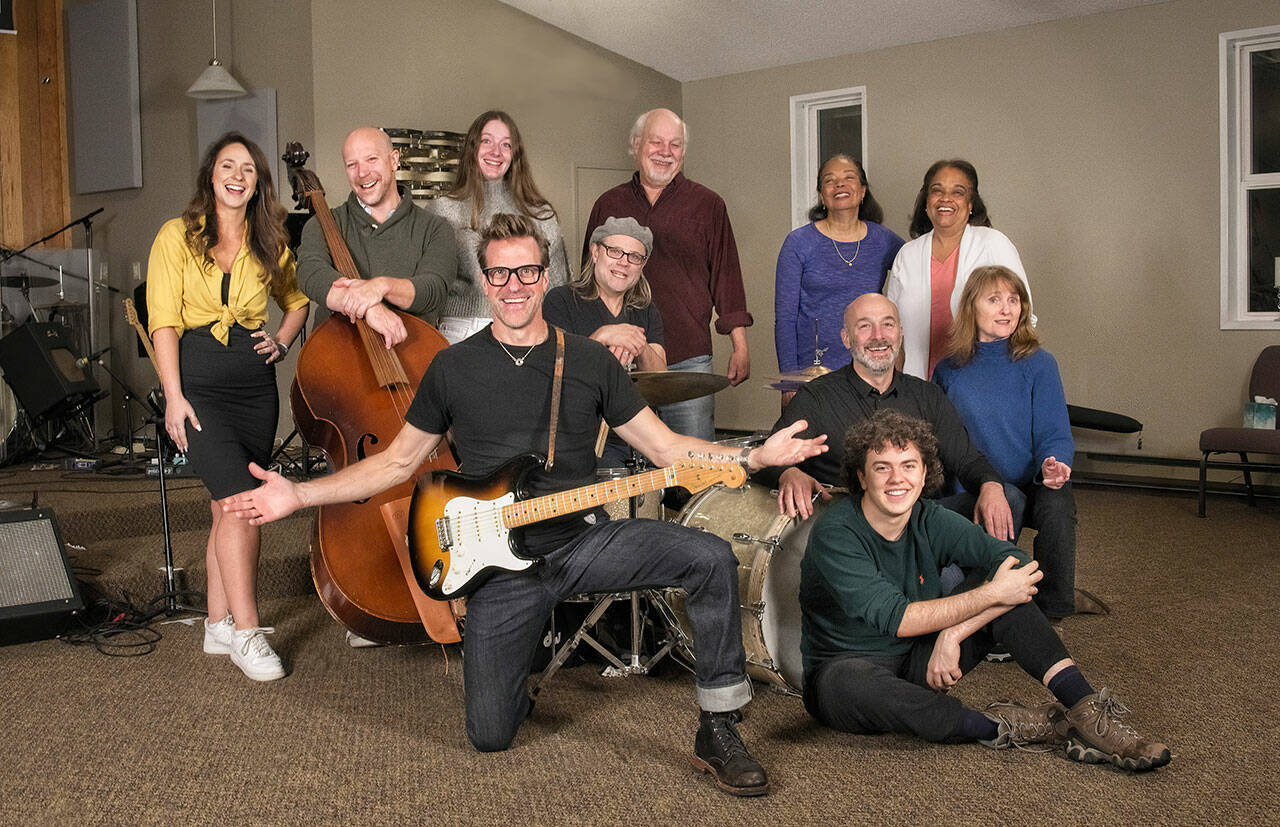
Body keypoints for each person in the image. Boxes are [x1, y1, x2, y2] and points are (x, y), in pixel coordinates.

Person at [223, 213, 827, 796]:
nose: (514, 287)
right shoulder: (451, 368)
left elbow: (667, 447)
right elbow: (396, 463)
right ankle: (519, 656)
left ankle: (718, 728)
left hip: (583, 540)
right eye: (500, 274)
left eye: (528, 272)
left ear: (546, 277)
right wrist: (297, 493)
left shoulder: (587, 361)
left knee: (710, 557)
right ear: (485, 281)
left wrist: (750, 458)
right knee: (491, 734)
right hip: (500, 563)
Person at [800, 409, 1170, 771]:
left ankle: (1088, 713)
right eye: (882, 467)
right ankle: (1005, 726)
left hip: (921, 659)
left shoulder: (928, 517)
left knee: (1009, 586)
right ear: (862, 477)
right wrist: (991, 594)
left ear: (925, 471)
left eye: (909, 465)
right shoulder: (837, 533)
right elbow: (899, 618)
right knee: (845, 684)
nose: (898, 479)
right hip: (848, 671)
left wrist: (953, 634)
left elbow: (1020, 565)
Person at [146, 132, 310, 681]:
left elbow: (297, 301)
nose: (237, 175)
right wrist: (173, 397)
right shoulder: (177, 236)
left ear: (258, 181)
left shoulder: (271, 241)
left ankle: (217, 623)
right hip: (198, 382)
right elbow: (163, 320)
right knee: (243, 500)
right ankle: (247, 632)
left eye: (247, 168)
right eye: (227, 165)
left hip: (254, 387)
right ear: (211, 175)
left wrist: (283, 340)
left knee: (225, 507)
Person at [758, 293, 1015, 545]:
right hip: (855, 530)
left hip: (923, 522)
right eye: (865, 326)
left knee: (1009, 498)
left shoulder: (928, 395)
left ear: (900, 334)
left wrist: (990, 485)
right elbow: (768, 457)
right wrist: (789, 473)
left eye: (888, 324)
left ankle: (960, 581)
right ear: (846, 339)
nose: (878, 336)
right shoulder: (816, 397)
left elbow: (966, 459)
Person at [583, 108, 752, 442]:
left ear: (683, 152)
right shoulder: (608, 204)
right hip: (620, 361)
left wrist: (740, 346)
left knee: (693, 467)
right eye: (656, 142)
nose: (665, 151)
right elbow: (589, 281)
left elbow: (727, 275)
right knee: (622, 462)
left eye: (674, 145)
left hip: (687, 358)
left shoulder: (708, 205)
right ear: (635, 145)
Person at [932, 266, 1077, 619]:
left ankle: (1052, 610)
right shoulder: (948, 370)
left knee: (1059, 507)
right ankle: (991, 599)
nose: (1006, 309)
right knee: (1003, 499)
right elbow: (939, 442)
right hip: (973, 483)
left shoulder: (1040, 364)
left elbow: (1053, 430)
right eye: (994, 299)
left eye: (1014, 300)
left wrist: (1053, 464)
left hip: (1031, 479)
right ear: (971, 307)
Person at [295, 126, 456, 347]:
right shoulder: (323, 224)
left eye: (371, 159)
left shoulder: (435, 228)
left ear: (394, 160)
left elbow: (432, 289)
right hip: (338, 352)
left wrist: (380, 287)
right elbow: (311, 275)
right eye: (352, 164)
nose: (362, 173)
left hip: (413, 354)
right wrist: (370, 307)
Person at [430, 110, 571, 345]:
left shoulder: (541, 214)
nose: (495, 152)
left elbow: (558, 291)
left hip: (527, 329)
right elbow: (429, 286)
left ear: (515, 155)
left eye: (506, 145)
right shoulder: (442, 210)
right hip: (462, 330)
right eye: (486, 141)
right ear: (472, 148)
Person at [884, 159, 1031, 379]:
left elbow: (1023, 316)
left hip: (982, 382)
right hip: (919, 384)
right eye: (937, 190)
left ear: (971, 203)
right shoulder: (908, 254)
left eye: (958, 192)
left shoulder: (993, 243)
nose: (946, 198)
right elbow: (893, 329)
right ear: (926, 201)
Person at [544, 216, 665, 468]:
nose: (624, 262)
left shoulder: (645, 310)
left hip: (638, 437)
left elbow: (661, 378)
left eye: (634, 256)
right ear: (595, 251)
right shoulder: (561, 301)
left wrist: (638, 344)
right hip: (582, 437)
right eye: (615, 251)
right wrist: (601, 337)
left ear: (642, 265)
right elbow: (552, 373)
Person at [774, 155, 904, 376]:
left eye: (849, 177)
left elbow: (919, 269)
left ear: (862, 191)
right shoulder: (799, 242)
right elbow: (785, 318)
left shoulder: (884, 240)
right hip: (813, 372)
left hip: (870, 366)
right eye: (829, 180)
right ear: (821, 195)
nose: (839, 184)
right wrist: (789, 380)